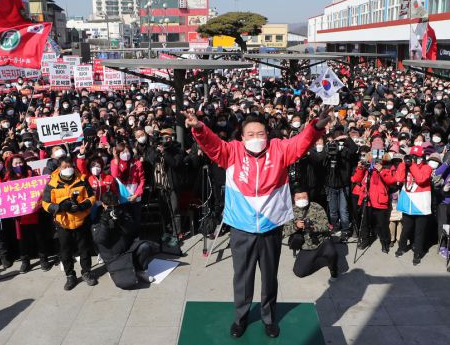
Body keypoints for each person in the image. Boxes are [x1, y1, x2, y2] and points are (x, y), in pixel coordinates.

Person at [186, 107, 329, 339]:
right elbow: (213, 145)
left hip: (271, 227)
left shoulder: (279, 149)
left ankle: (269, 318)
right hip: (241, 228)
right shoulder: (231, 151)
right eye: (250, 134)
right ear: (241, 137)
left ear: (268, 135)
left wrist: (316, 126)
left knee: (269, 277)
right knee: (242, 278)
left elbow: (300, 142)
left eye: (260, 134)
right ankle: (240, 318)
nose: (256, 138)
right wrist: (200, 128)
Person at [41, 157, 98, 290]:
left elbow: (92, 197)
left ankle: (86, 272)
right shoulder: (52, 184)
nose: (68, 169)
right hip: (63, 224)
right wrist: (60, 207)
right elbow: (45, 203)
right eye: (64, 167)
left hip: (81, 221)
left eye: (70, 166)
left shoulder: (82, 179)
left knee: (84, 249)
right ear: (59, 168)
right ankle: (70, 276)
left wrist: (83, 206)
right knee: (65, 251)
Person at [92, 192, 158, 289]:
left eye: (114, 206)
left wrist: (121, 219)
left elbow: (132, 230)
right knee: (125, 283)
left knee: (145, 247)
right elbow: (100, 240)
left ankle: (140, 270)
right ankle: (114, 271)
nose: (112, 209)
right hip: (112, 255)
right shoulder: (98, 217)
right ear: (103, 204)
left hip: (127, 249)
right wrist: (104, 222)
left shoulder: (121, 211)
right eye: (109, 207)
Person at [283, 191, 338, 279]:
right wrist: (296, 226)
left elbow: (326, 226)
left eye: (304, 197)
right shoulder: (290, 211)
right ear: (294, 198)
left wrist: (313, 228)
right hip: (306, 246)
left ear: (308, 197)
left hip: (322, 241)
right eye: (298, 198)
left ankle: (333, 269)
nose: (301, 200)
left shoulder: (316, 207)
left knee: (332, 253)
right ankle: (315, 259)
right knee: (299, 272)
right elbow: (285, 231)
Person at [393, 145, 433, 265]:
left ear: (422, 158)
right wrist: (402, 164)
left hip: (421, 204)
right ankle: (401, 247)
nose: (414, 158)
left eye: (417, 157)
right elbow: (398, 178)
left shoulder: (427, 168)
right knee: (406, 229)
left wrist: (412, 165)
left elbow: (421, 179)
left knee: (419, 231)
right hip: (408, 203)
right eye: (412, 156)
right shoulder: (406, 166)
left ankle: (417, 253)